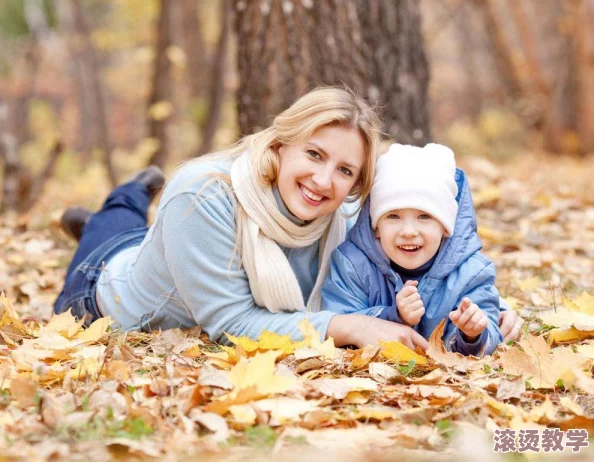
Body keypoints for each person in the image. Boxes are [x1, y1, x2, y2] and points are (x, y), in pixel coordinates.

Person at [54, 87, 433, 350]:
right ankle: (130, 194)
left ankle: (113, 213)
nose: (323, 181)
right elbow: (233, 326)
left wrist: (485, 309)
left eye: (345, 171)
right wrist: (350, 326)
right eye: (314, 154)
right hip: (104, 293)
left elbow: (409, 265)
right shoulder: (201, 197)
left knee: (132, 233)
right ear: (282, 143)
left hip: (171, 253)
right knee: (114, 222)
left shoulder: (343, 212)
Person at [322, 143, 521, 356]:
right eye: (393, 216)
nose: (408, 231)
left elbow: (488, 327)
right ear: (376, 226)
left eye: (424, 216)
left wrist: (471, 335)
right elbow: (340, 319)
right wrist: (393, 315)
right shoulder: (353, 264)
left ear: (445, 227)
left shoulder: (471, 273)